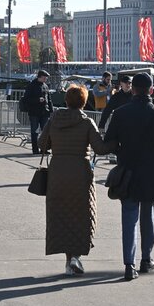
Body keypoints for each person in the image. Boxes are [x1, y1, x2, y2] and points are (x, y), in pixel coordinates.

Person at [104, 72, 154, 281]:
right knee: (148, 216)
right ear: (151, 90)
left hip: (127, 170)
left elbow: (110, 141)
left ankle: (129, 264)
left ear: (133, 89)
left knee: (129, 218)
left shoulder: (120, 113)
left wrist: (122, 153)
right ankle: (147, 259)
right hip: (152, 171)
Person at [38, 84, 116, 276]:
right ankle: (76, 257)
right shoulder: (87, 122)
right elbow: (100, 148)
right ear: (83, 101)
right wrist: (116, 140)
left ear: (66, 101)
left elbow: (41, 143)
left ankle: (68, 261)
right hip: (80, 174)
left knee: (61, 217)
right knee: (82, 216)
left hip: (57, 175)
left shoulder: (54, 119)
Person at [23, 69, 54, 154]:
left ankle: (44, 149)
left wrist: (51, 111)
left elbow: (49, 99)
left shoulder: (45, 86)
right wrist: (37, 100)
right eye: (44, 77)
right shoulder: (31, 86)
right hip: (34, 112)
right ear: (39, 77)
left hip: (44, 112)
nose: (46, 79)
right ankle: (35, 149)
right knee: (35, 131)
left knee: (45, 132)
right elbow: (26, 99)